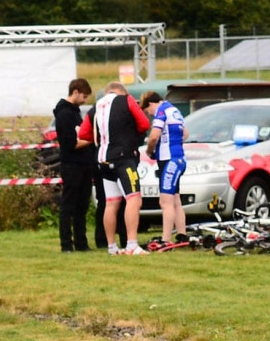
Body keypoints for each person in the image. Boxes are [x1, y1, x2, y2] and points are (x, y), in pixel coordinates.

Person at [79, 82, 150, 255]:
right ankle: (132, 244)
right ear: (122, 92)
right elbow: (144, 124)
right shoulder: (127, 100)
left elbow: (83, 134)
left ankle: (111, 246)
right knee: (134, 199)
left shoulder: (95, 107)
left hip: (103, 159)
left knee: (111, 203)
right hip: (124, 158)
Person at [141, 91, 188, 250]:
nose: (150, 114)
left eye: (148, 111)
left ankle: (166, 240)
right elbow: (185, 134)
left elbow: (154, 136)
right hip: (179, 158)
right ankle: (182, 235)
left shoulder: (161, 112)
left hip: (169, 161)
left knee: (165, 201)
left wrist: (149, 151)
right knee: (176, 200)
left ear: (151, 104)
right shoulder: (175, 110)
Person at [53, 78, 95, 252]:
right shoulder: (64, 115)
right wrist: (91, 140)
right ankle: (66, 244)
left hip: (84, 164)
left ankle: (81, 243)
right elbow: (70, 144)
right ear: (75, 92)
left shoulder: (75, 112)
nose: (85, 100)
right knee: (68, 205)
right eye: (84, 96)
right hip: (72, 165)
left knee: (82, 205)